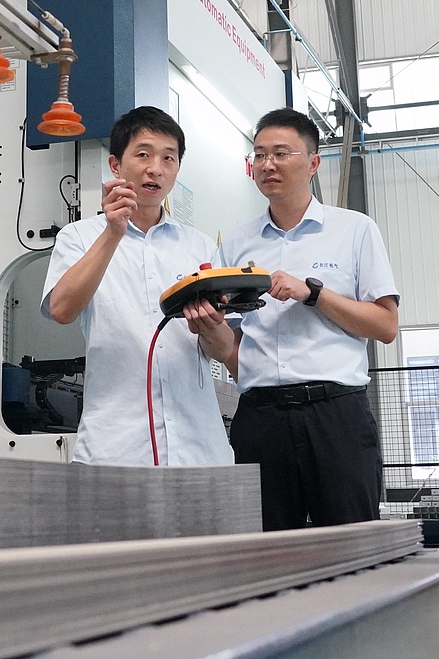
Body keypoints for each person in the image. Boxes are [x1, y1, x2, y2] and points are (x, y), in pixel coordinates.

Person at [199, 107, 400, 530]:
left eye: (281, 153)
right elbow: (229, 351)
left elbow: (385, 326)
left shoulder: (354, 230)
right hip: (259, 418)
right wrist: (208, 324)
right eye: (259, 155)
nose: (267, 164)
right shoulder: (236, 242)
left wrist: (314, 293)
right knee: (264, 550)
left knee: (352, 545)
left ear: (313, 163)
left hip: (336, 416)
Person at [41, 106, 234, 466]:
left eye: (168, 158)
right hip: (117, 448)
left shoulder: (200, 246)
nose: (156, 168)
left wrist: (210, 327)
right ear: (116, 165)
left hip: (199, 448)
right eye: (143, 154)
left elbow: (225, 350)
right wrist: (113, 233)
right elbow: (61, 310)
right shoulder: (80, 237)